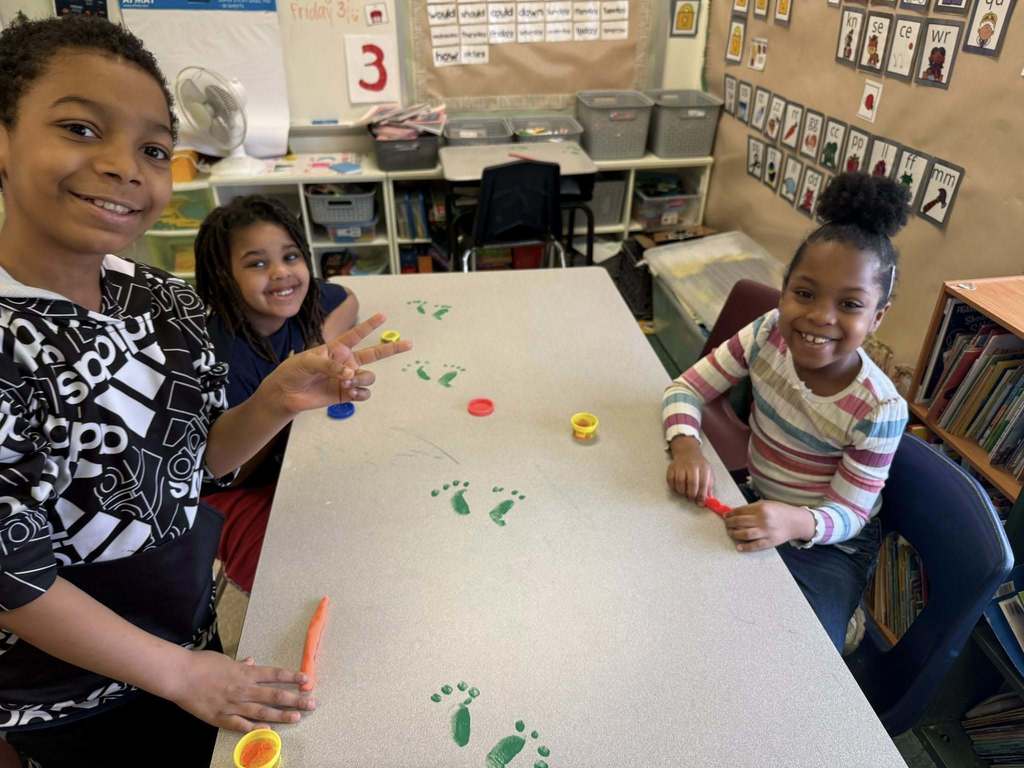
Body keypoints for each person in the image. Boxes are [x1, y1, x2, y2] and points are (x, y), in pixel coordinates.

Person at [0, 15, 409, 765]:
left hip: (183, 624)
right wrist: (177, 674)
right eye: (81, 129)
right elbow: (11, 574)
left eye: (154, 148)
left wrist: (277, 399)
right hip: (71, 683)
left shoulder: (162, 301)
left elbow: (193, 463)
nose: (126, 166)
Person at [662, 172, 910, 652]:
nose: (821, 316)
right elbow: (685, 388)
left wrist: (793, 522)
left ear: (877, 317)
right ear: (784, 289)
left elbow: (850, 513)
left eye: (850, 304)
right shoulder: (769, 332)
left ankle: (848, 618)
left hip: (832, 543)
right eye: (805, 293)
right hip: (761, 498)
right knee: (705, 610)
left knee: (801, 647)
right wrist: (686, 445)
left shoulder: (879, 408)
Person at [194, 195, 358, 593]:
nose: (282, 273)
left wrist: (320, 346)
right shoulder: (225, 358)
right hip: (226, 493)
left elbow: (347, 299)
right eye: (258, 263)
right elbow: (224, 473)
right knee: (290, 584)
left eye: (290, 256)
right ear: (223, 277)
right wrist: (285, 408)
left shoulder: (295, 309)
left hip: (289, 460)